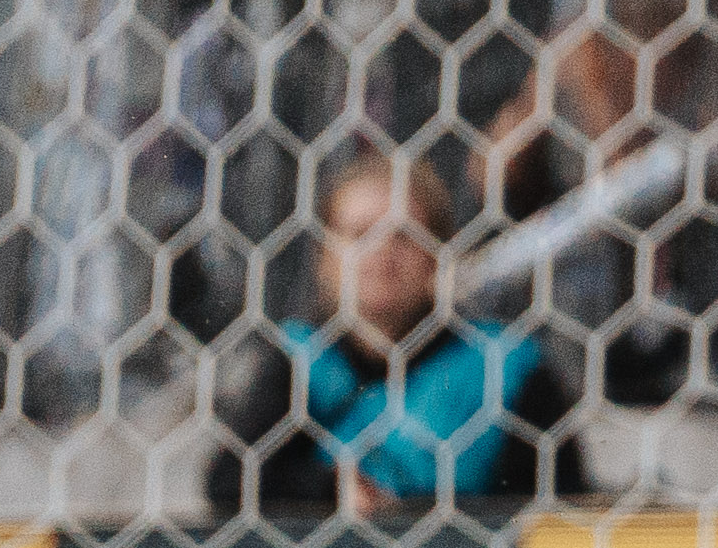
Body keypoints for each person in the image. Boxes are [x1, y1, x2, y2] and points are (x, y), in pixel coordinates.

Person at [203, 146, 570, 512]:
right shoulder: (301, 359)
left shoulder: (505, 366)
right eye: (360, 233)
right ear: (324, 258)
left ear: (437, 253)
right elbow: (229, 481)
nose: (381, 252)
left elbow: (560, 504)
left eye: (403, 235)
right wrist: (331, 487)